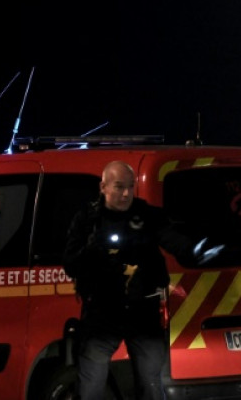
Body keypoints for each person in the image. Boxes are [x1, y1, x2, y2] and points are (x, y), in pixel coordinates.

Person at [63, 160, 222, 400]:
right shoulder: (87, 219)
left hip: (142, 312)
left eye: (130, 186)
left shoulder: (145, 215)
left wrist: (194, 251)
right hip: (102, 313)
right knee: (90, 385)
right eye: (119, 187)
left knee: (150, 384)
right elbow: (71, 264)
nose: (126, 193)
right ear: (103, 186)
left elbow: (170, 237)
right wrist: (92, 249)